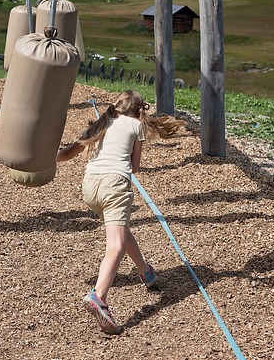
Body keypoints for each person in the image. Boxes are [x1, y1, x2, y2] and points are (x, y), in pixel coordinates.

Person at [56, 90, 185, 335]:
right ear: (138, 111)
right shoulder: (136, 126)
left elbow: (70, 152)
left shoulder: (103, 122)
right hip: (114, 185)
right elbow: (134, 167)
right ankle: (99, 296)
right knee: (114, 246)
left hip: (90, 187)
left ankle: (145, 271)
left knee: (121, 230)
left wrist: (46, 160)